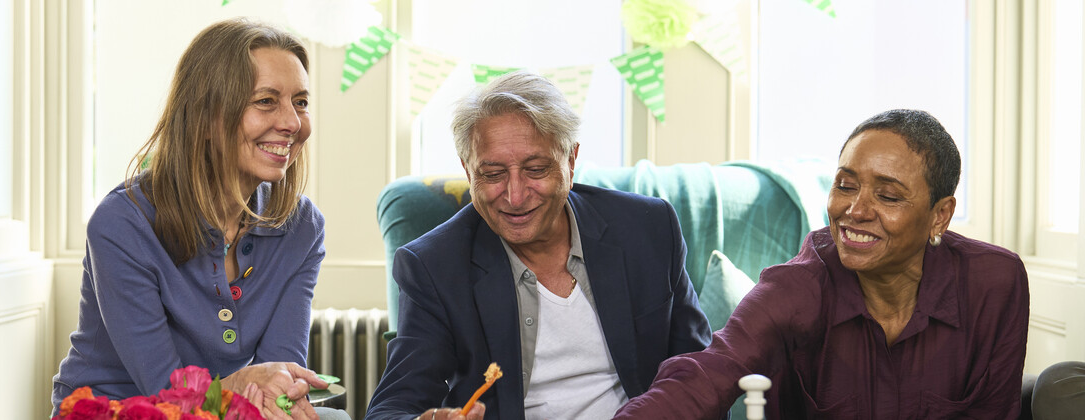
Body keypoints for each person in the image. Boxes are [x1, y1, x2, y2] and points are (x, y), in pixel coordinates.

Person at [613, 109, 1030, 419]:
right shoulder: (796, 287)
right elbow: (707, 374)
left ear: (940, 215)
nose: (854, 210)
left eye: (887, 196)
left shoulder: (995, 283)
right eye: (845, 185)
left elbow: (996, 409)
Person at [365, 72, 713, 420]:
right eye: (492, 174)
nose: (515, 197)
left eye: (536, 169)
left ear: (571, 161)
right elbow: (391, 408)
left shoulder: (648, 229)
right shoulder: (432, 266)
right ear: (469, 174)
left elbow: (701, 375)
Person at [51, 18, 334, 419]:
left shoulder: (302, 228)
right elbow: (162, 389)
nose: (292, 123)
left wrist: (280, 398)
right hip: (113, 410)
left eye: (300, 102)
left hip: (216, 411)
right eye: (266, 101)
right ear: (206, 117)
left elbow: (278, 374)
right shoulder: (122, 224)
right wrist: (239, 388)